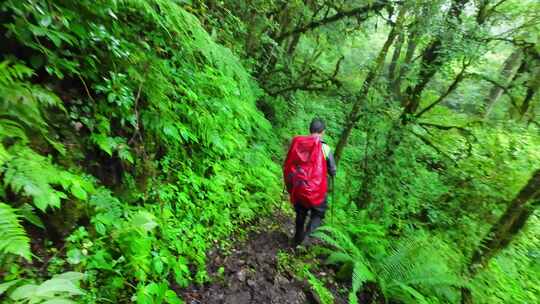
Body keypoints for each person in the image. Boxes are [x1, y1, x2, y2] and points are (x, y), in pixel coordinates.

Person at [283, 118, 337, 247]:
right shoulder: (325, 148)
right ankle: (306, 240)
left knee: (301, 212)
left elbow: (289, 163)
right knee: (318, 213)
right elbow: (333, 170)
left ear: (310, 130)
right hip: (316, 190)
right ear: (322, 132)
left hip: (299, 185)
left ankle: (297, 239)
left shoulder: (299, 144)